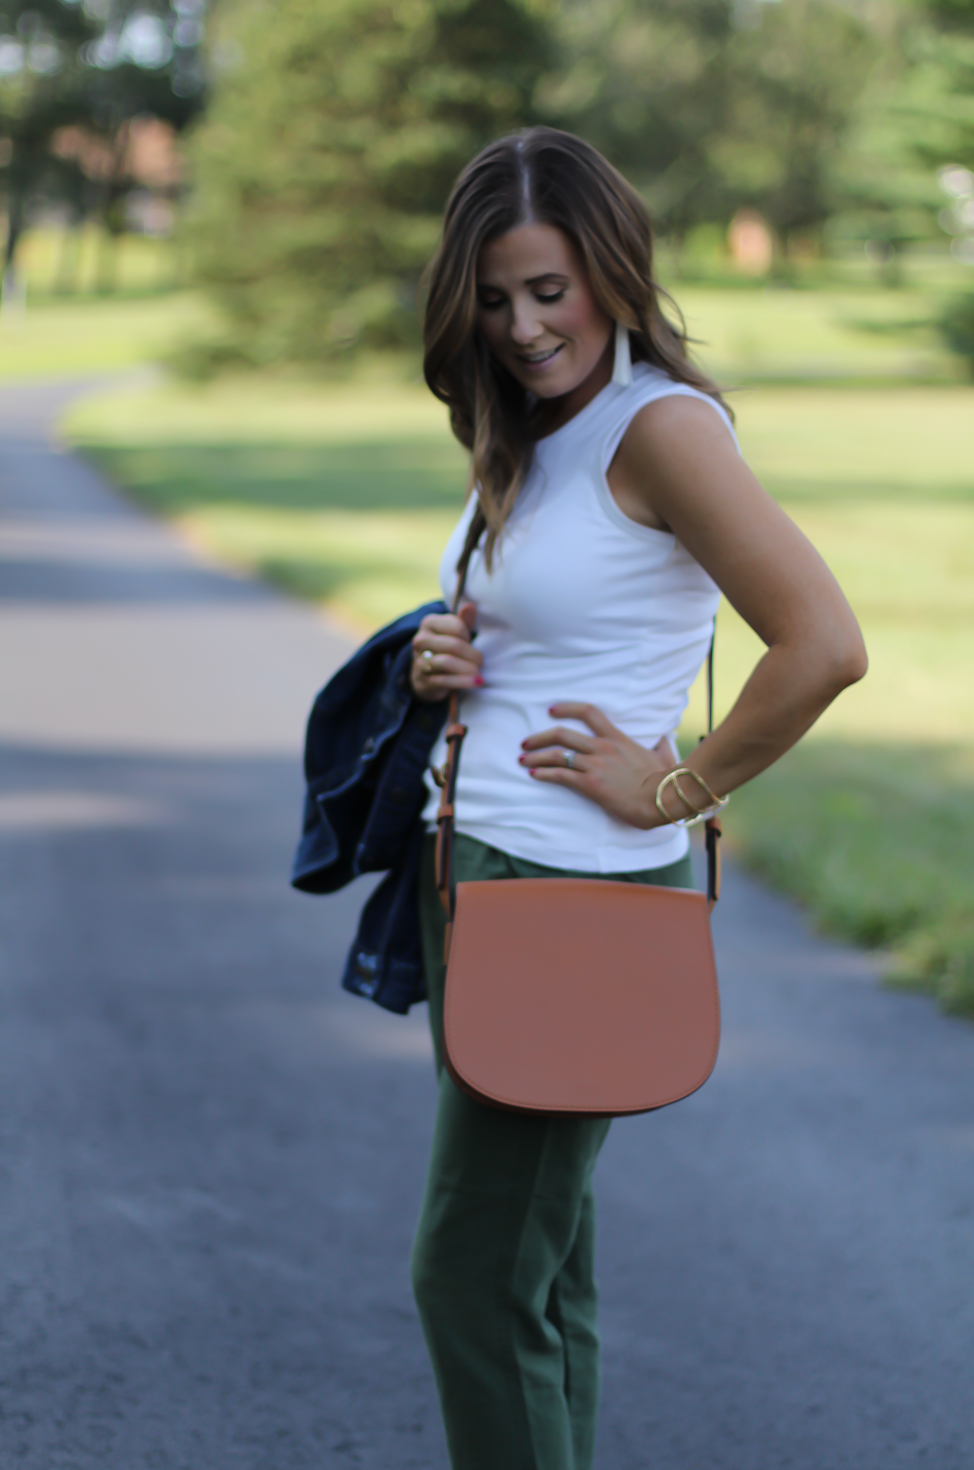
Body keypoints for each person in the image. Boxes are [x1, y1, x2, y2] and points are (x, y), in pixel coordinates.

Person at [406, 127, 867, 1470]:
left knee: (471, 1274)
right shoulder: (533, 431)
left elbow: (822, 642)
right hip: (480, 874)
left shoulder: (657, 426)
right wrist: (448, 650)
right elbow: (567, 628)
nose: (522, 326)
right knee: (536, 1274)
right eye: (493, 299)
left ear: (611, 269)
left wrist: (674, 783)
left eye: (548, 289)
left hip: (573, 898)